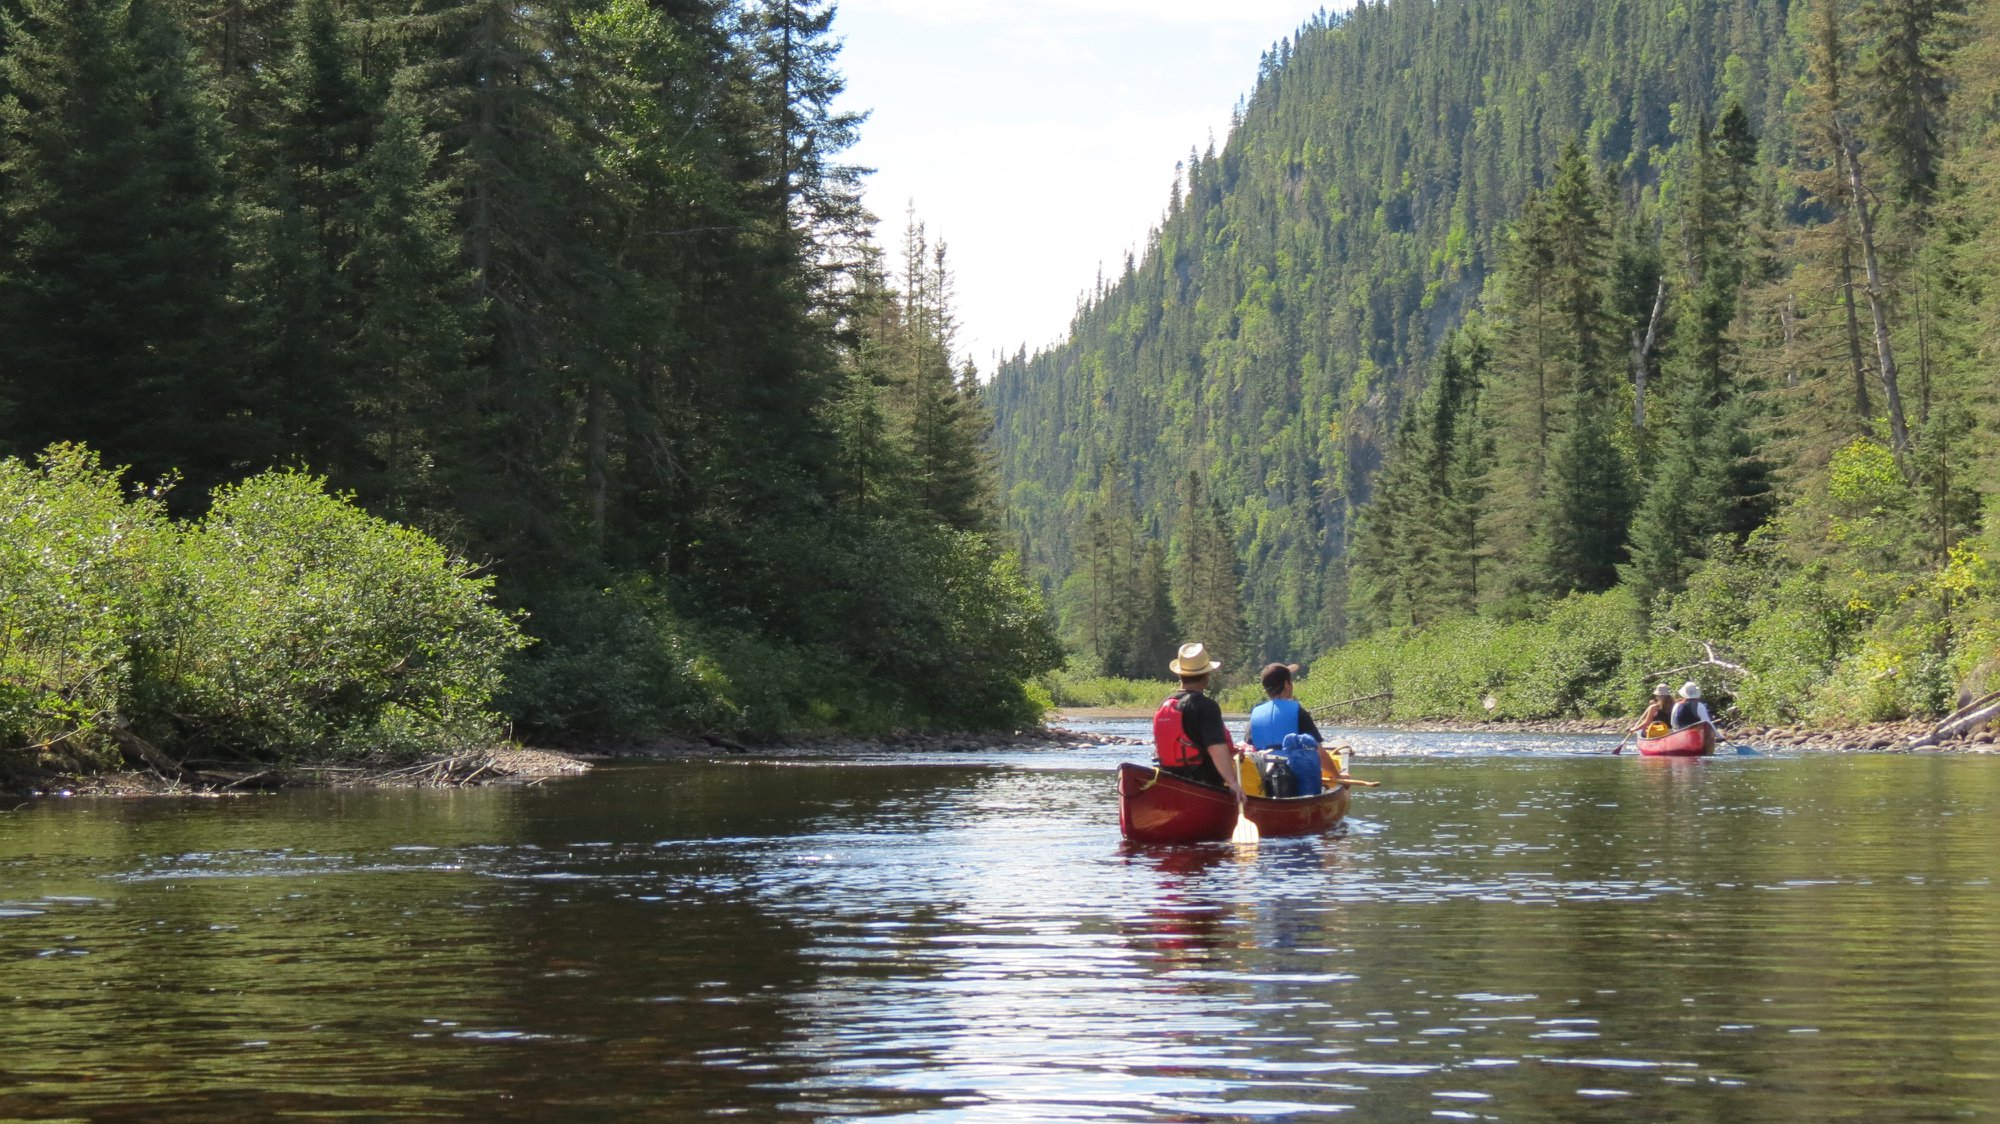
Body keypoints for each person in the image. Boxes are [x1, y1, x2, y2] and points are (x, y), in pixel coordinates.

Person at [1152, 642, 1246, 800]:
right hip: (1204, 785)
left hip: (1171, 782)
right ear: (1206, 675)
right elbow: (1216, 748)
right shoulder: (1207, 707)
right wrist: (1233, 783)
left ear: (1180, 675)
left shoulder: (1165, 703)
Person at [1243, 662, 1344, 784]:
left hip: (1263, 777)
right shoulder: (1298, 712)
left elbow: (1247, 749)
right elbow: (1318, 750)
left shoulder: (1255, 714)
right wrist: (1337, 776)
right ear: (1287, 684)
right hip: (1294, 777)